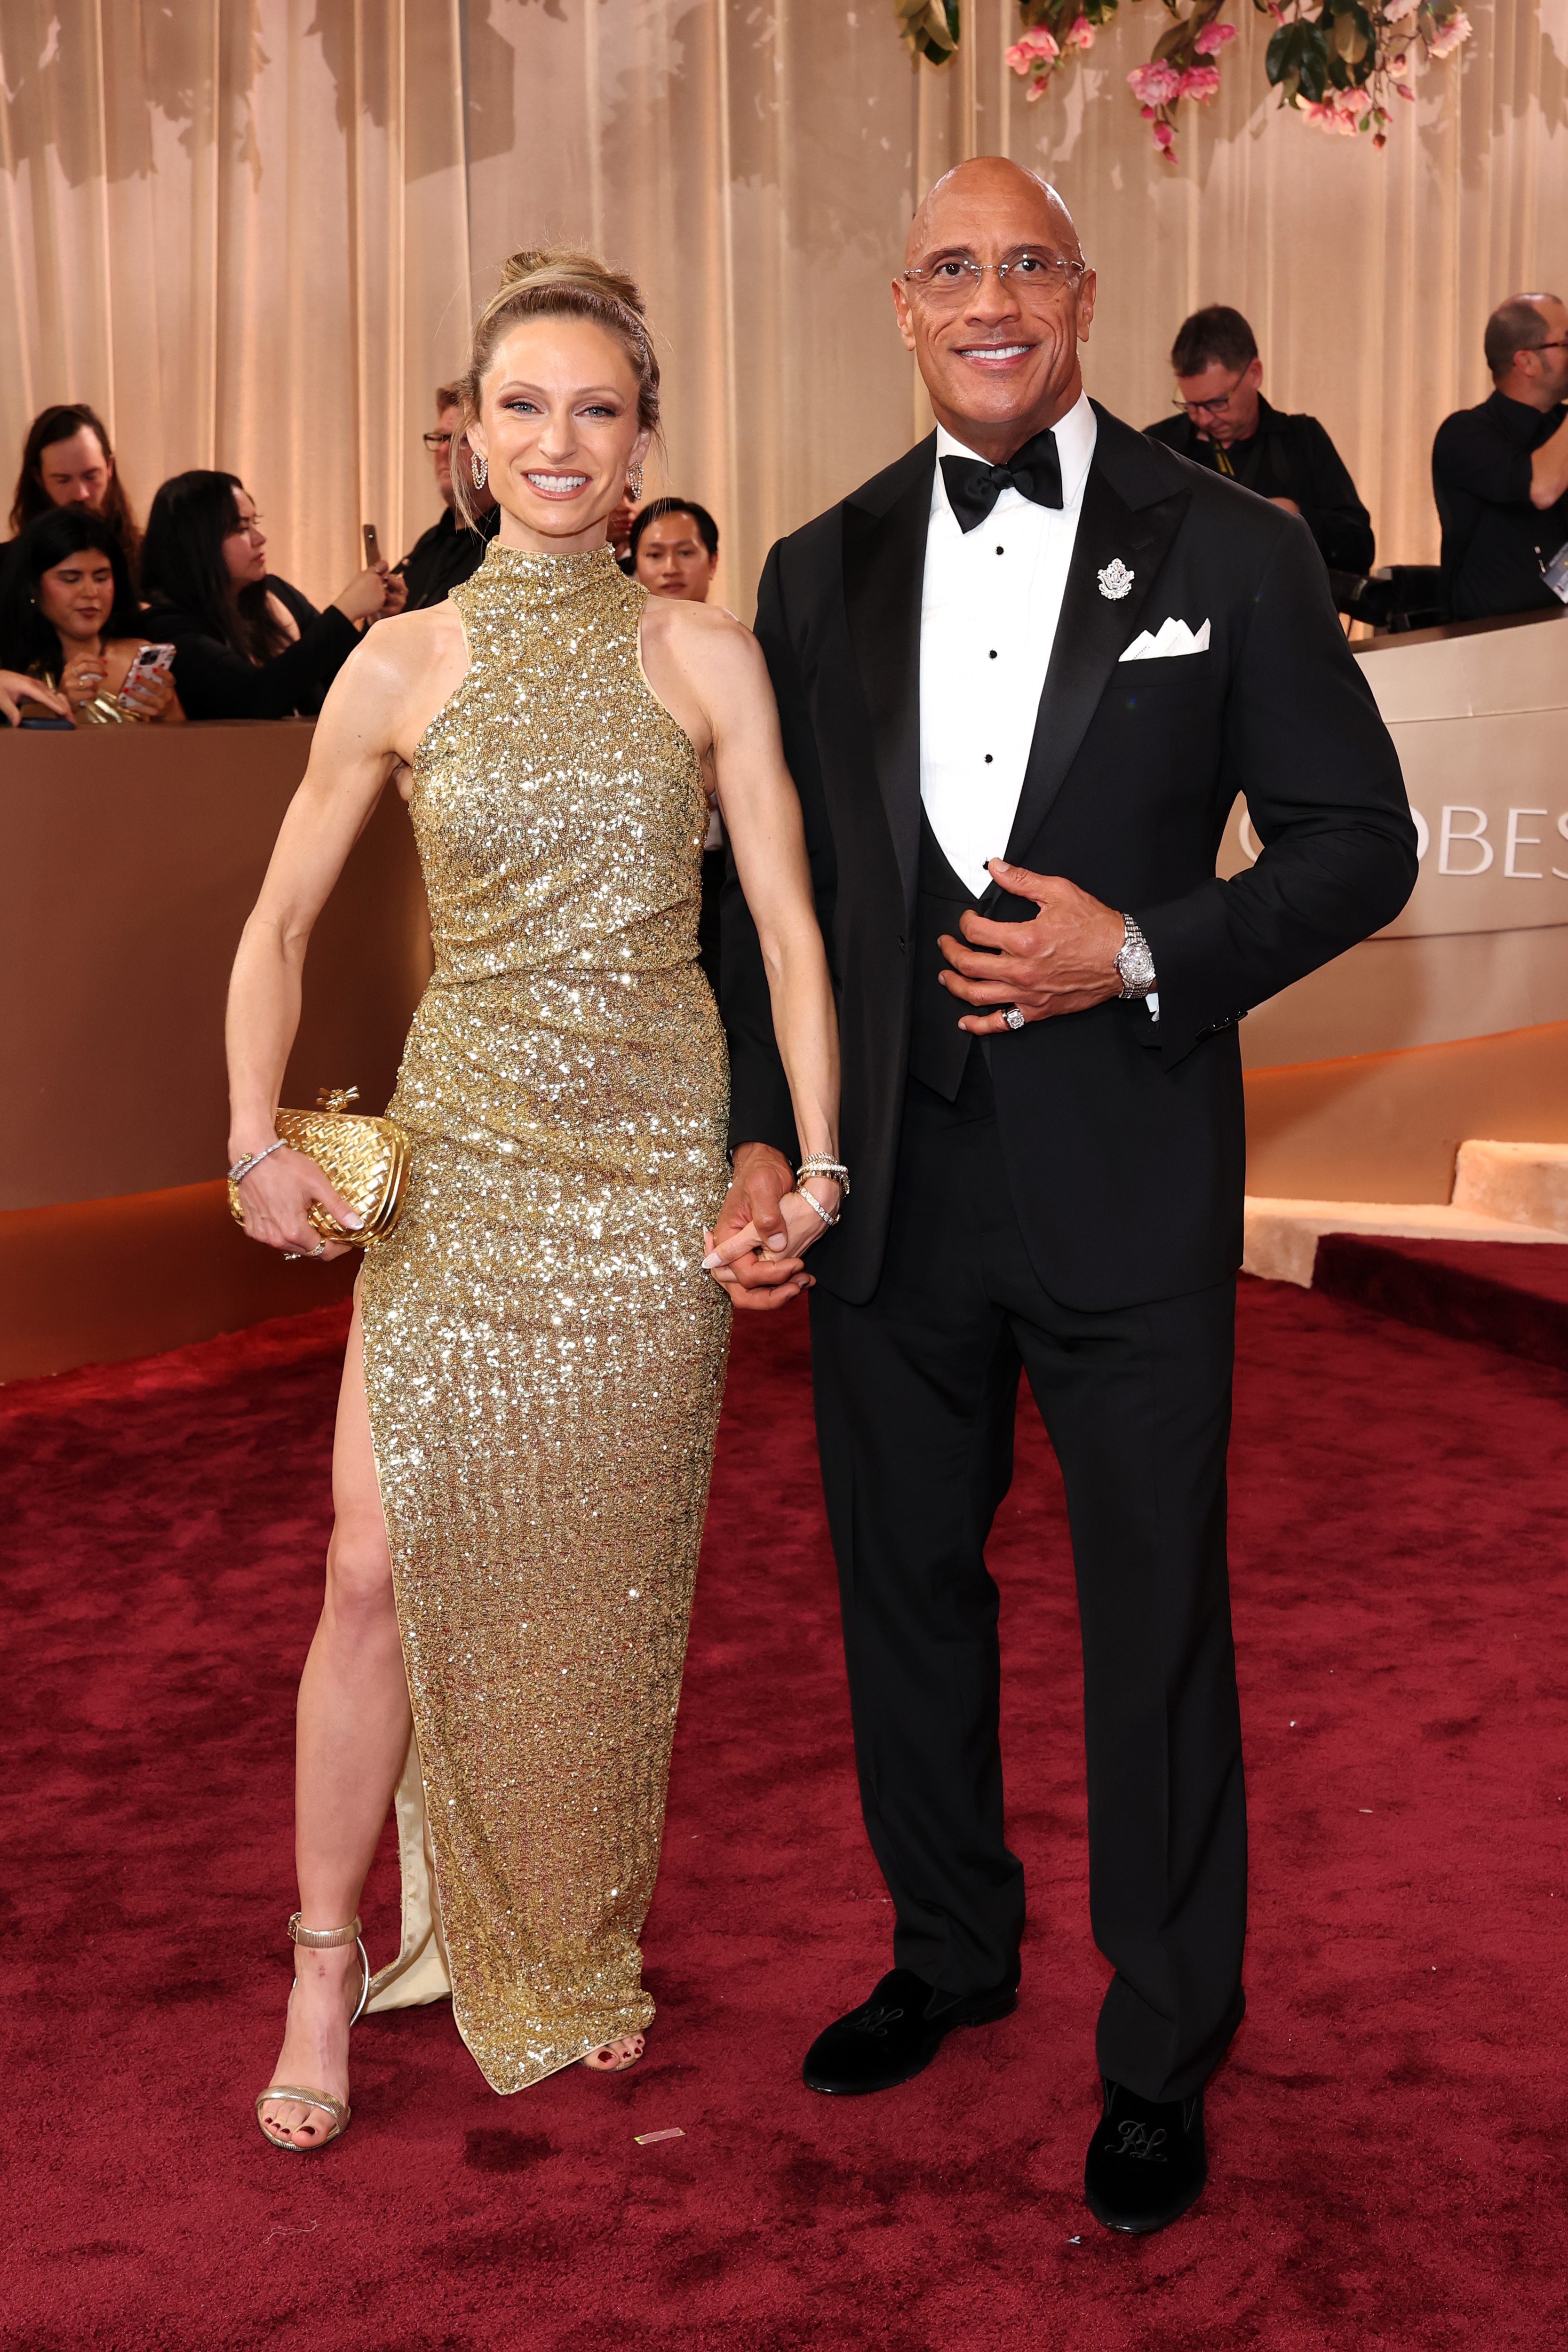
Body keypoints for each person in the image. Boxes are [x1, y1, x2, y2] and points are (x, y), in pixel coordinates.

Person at [710, 159, 1415, 2236]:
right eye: (950, 265)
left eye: (1027, 261)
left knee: (1152, 1620)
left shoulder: (1240, 546)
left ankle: (1161, 2040)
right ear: (901, 305)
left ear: (1085, 295)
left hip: (1126, 1169)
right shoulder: (815, 565)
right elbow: (770, 910)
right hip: (892, 1189)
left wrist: (1139, 948)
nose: (990, 295)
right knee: (900, 1592)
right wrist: (767, 1129)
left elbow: (1355, 840)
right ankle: (947, 1945)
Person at [227, 246, 842, 2152]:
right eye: (522, 407)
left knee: (598, 1580)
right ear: (467, 433)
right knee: (370, 1566)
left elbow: (789, 932)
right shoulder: (397, 659)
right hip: (469, 1150)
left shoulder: (708, 657)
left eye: (595, 408)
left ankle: (561, 1940)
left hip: (649, 1168)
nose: (559, 442)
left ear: (642, 434)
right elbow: (278, 920)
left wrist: (811, 1163)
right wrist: (253, 1131)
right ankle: (329, 1956)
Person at [141, 471, 403, 719]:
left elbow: (344, 678)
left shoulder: (276, 594)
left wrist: (376, 621)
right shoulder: (168, 627)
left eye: (255, 523)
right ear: (197, 542)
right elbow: (255, 697)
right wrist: (346, 611)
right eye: (242, 528)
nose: (260, 538)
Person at [1144, 306, 1374, 576]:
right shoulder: (1158, 447)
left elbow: (1361, 549)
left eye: (1217, 403)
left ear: (1254, 373)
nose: (1204, 419)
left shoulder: (1303, 440)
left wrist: (1299, 519)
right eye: (1191, 405)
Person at [632, 498, 726, 988]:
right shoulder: (613, 663)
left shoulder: (743, 649)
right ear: (634, 564)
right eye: (654, 554)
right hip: (637, 879)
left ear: (712, 560)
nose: (670, 568)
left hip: (726, 874)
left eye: (685, 552)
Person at [1432, 293, 1568, 621]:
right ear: (1526, 362)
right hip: (1491, 646)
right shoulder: (1464, 433)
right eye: (1566, 342)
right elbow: (1540, 487)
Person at [0, 509, 181, 723]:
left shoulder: (136, 656)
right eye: (70, 579)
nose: (91, 592)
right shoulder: (10, 665)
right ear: (32, 587)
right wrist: (56, 706)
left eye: (101, 578)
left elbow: (184, 751)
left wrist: (168, 712)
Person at [8, 402, 143, 582]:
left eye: (90, 476)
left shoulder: (148, 557)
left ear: (109, 468)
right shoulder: (9, 566)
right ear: (39, 479)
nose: (81, 494)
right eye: (63, 480)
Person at [395, 383, 500, 609]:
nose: (445, 451)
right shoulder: (428, 544)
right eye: (441, 439)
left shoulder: (508, 547)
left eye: (461, 440)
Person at [630, 498, 720, 602]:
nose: (670, 570)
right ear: (636, 565)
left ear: (713, 563)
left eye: (685, 553)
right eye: (656, 555)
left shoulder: (727, 618)